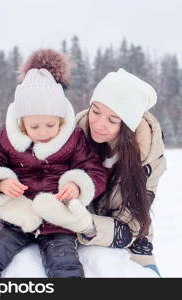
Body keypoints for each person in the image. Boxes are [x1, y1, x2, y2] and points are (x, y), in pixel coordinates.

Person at [0, 49, 107, 278]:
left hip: (58, 222)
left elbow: (95, 170)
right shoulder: (8, 138)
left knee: (66, 266)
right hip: (17, 219)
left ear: (61, 119)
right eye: (34, 127)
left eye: (50, 125)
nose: (43, 133)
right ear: (22, 124)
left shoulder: (74, 137)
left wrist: (79, 186)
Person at [41, 68, 167, 276]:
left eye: (112, 120)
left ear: (128, 125)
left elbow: (132, 226)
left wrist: (86, 225)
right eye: (96, 111)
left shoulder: (148, 158)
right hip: (72, 230)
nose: (98, 124)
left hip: (129, 236)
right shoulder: (70, 137)